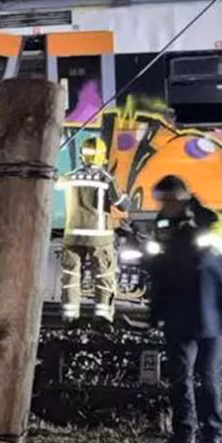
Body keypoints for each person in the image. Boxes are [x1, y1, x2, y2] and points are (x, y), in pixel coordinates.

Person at [146, 174, 222, 443]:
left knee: (208, 378)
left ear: (180, 198)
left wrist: (181, 242)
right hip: (182, 311)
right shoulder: (163, 224)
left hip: (212, 311)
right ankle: (185, 438)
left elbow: (209, 261)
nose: (162, 206)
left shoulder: (211, 220)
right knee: (180, 378)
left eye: (166, 200)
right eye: (160, 201)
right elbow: (159, 267)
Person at [57, 136, 129, 328]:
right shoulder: (106, 179)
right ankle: (102, 317)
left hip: (72, 235)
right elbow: (122, 205)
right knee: (103, 275)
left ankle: (70, 317)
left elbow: (56, 184)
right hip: (100, 237)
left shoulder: (70, 177)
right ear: (102, 156)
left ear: (82, 155)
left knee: (70, 275)